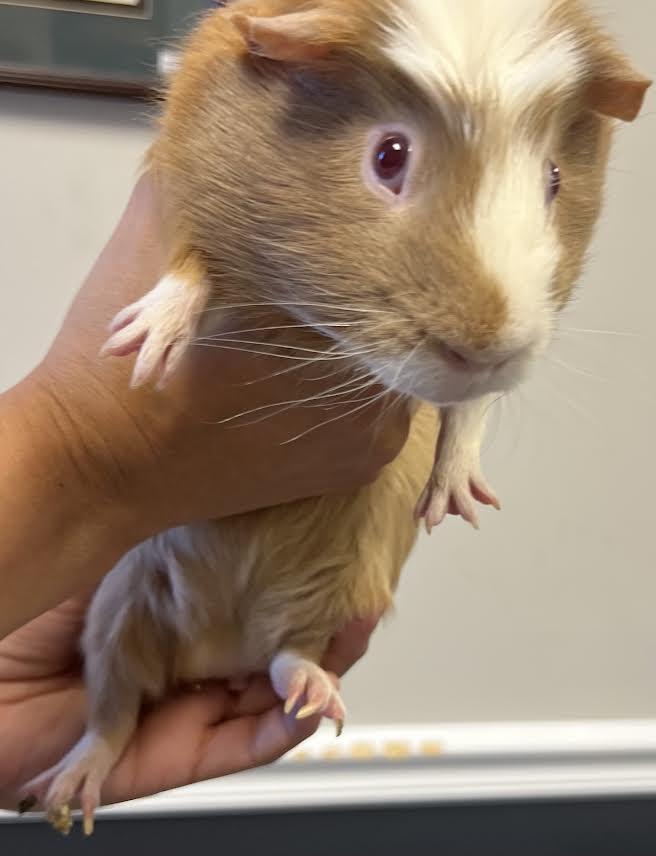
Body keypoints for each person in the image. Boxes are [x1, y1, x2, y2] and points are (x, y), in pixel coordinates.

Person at [0, 175, 409, 812]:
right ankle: (103, 738)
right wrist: (78, 452)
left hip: (288, 571)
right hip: (159, 585)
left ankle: (292, 656)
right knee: (119, 612)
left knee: (334, 572)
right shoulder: (233, 194)